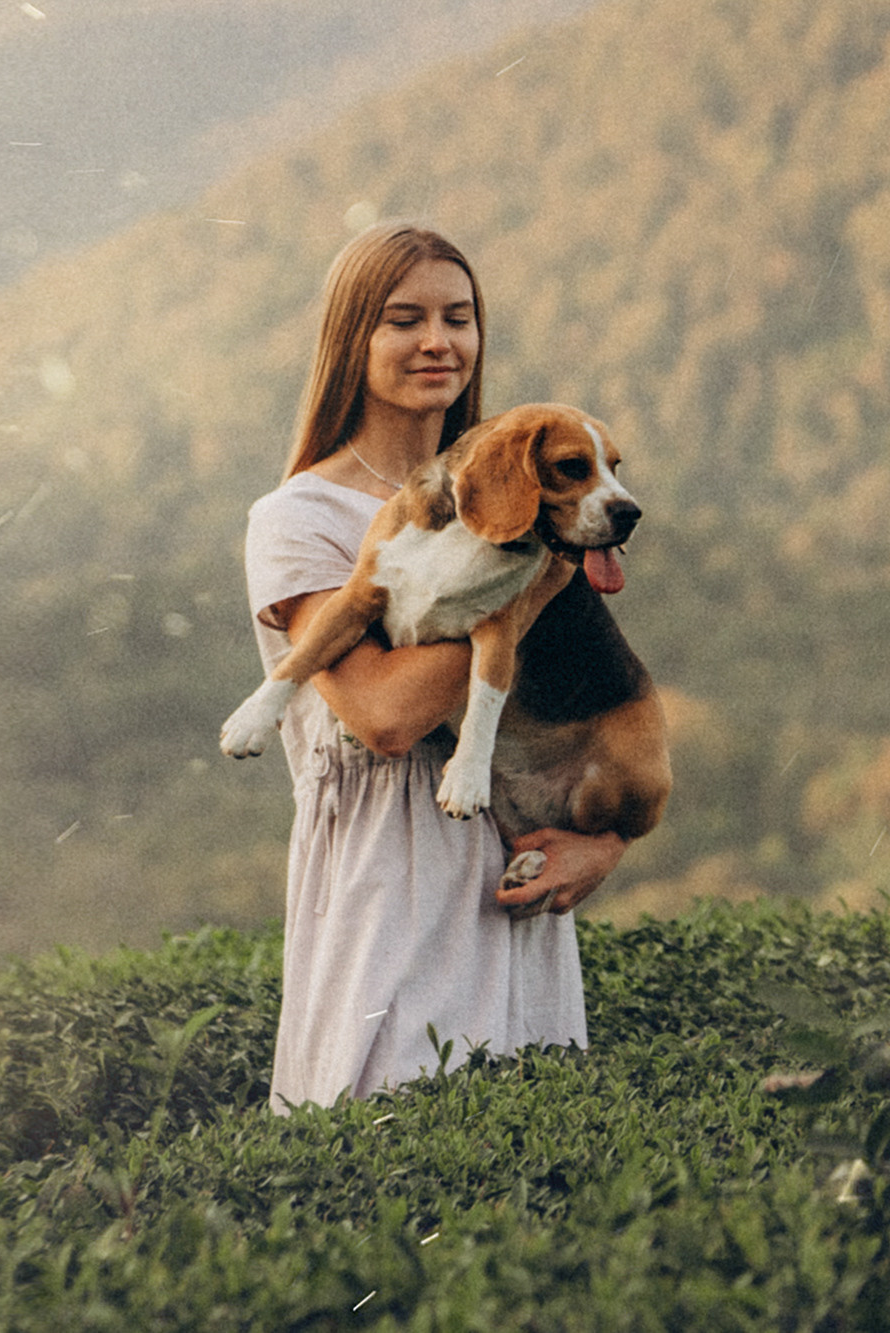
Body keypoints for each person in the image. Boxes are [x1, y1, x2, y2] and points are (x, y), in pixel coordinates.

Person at [242, 223, 626, 1113]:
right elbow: (384, 716)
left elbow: (580, 703)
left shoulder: (534, 501)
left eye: (459, 317)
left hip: (513, 873)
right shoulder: (300, 518)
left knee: (531, 1152)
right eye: (403, 319)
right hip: (388, 880)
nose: (438, 342)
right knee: (390, 1132)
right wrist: (527, 590)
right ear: (352, 339)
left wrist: (602, 841)